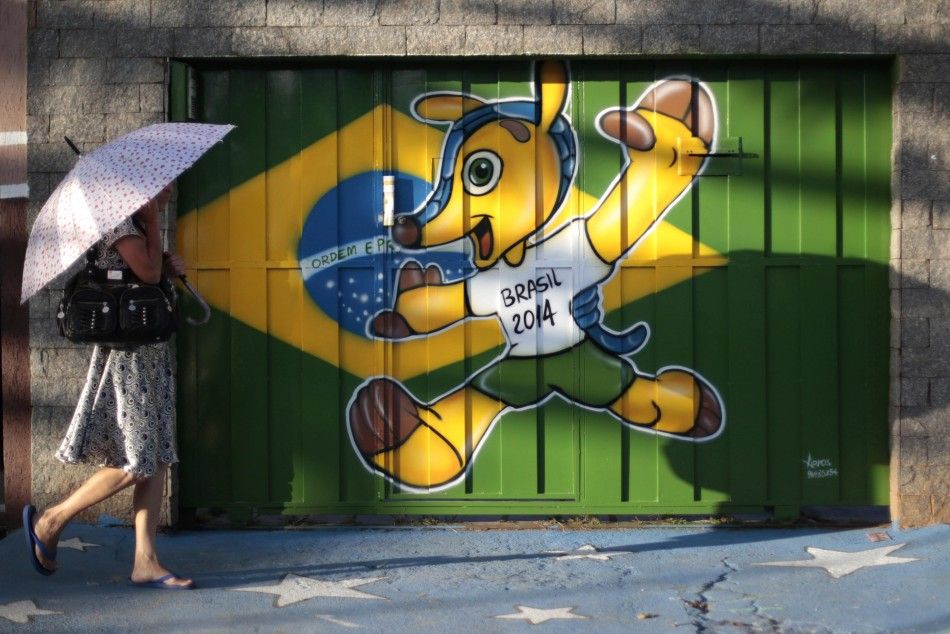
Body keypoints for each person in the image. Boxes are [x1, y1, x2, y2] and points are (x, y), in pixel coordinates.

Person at [23, 184, 194, 589]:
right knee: (138, 459)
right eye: (165, 181)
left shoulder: (134, 222)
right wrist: (154, 226)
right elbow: (146, 273)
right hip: (129, 355)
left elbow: (147, 275)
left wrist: (166, 267)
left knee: (156, 455)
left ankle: (146, 561)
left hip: (151, 353)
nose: (171, 187)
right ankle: (52, 519)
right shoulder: (123, 221)